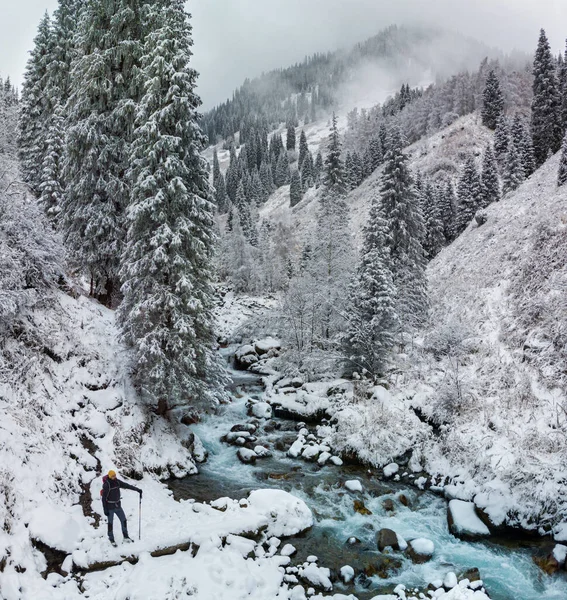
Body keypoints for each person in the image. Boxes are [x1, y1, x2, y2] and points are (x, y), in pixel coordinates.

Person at [101, 470, 142, 546]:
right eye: (112, 476)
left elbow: (127, 485)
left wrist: (137, 490)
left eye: (115, 475)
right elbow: (104, 498)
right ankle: (111, 538)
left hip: (118, 506)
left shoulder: (117, 482)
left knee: (123, 520)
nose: (114, 477)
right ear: (109, 476)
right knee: (110, 523)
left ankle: (126, 536)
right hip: (110, 507)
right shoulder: (107, 485)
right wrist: (105, 509)